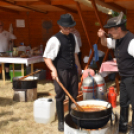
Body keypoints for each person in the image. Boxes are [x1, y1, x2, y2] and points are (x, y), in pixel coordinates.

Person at [43, 14, 82, 132]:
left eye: (70, 27)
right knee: (60, 96)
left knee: (73, 95)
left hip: (73, 71)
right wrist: (53, 70)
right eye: (66, 27)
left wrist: (79, 68)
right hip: (61, 71)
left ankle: (71, 118)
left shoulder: (73, 37)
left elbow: (75, 54)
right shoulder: (54, 40)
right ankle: (61, 122)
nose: (68, 29)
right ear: (60, 25)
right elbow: (46, 57)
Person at [97, 12, 134, 134]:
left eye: (111, 31)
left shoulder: (131, 41)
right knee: (123, 102)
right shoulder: (117, 39)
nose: (109, 33)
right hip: (125, 77)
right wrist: (102, 36)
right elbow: (104, 43)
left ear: (118, 29)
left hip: (132, 77)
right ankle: (123, 127)